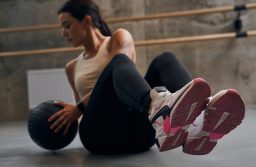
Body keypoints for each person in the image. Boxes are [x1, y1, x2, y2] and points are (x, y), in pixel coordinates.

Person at [48, 0, 245, 155]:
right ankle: (158, 109)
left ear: (87, 21)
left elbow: (121, 66)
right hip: (100, 137)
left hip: (139, 136)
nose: (63, 33)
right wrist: (75, 111)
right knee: (118, 62)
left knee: (163, 59)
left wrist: (78, 107)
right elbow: (83, 111)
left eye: (67, 25)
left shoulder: (117, 39)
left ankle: (198, 122)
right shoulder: (71, 67)